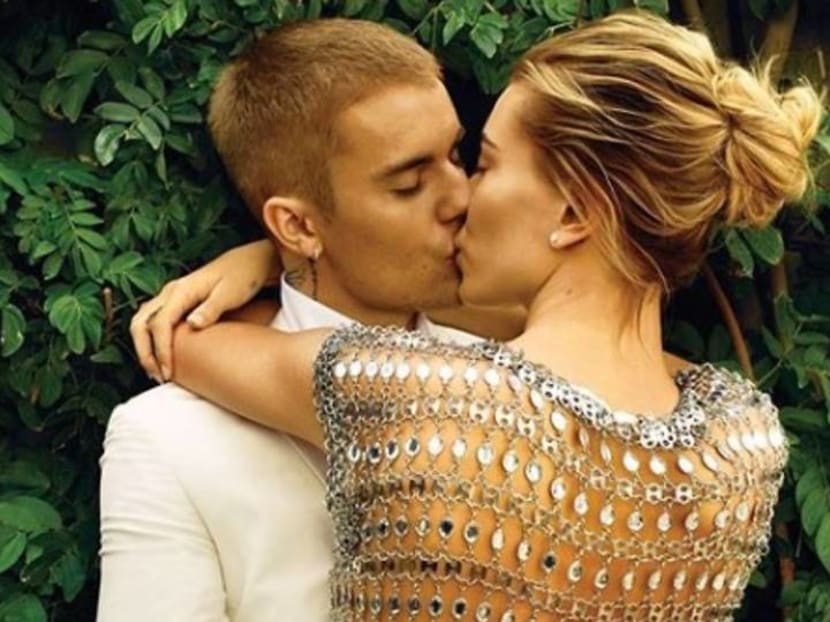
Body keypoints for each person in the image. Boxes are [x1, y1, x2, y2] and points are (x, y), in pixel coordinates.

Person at [141, 11, 821, 621]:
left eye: (484, 165)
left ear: (574, 214)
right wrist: (275, 252)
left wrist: (281, 253)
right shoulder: (743, 439)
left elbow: (182, 338)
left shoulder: (407, 396)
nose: (464, 195)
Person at [97, 18, 522, 622]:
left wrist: (269, 258)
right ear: (296, 225)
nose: (461, 198)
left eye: (457, 156)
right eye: (409, 184)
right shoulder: (168, 437)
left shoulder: (520, 374)